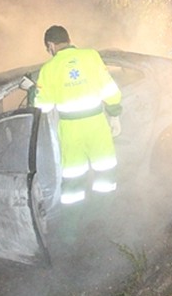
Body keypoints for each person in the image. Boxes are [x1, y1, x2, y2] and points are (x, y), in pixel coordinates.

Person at [32, 25, 123, 211]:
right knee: (105, 171)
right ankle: (105, 216)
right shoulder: (91, 56)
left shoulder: (48, 69)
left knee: (73, 179)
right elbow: (110, 90)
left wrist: (34, 89)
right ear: (68, 39)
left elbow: (43, 106)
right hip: (97, 125)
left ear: (50, 45)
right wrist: (114, 116)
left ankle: (73, 226)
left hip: (70, 132)